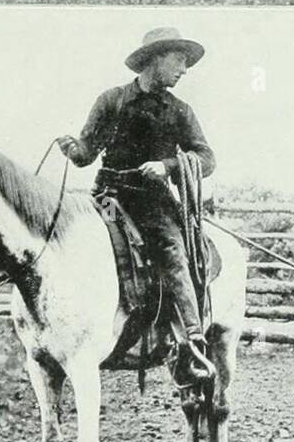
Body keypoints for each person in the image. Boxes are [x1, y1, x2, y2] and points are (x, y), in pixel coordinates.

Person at [58, 26, 215, 383]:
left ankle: (192, 341)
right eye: (179, 60)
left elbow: (206, 158)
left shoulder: (179, 111)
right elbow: (87, 154)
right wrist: (72, 149)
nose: (184, 70)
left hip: (153, 204)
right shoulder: (111, 101)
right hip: (108, 200)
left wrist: (168, 167)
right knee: (79, 246)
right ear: (155, 59)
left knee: (173, 253)